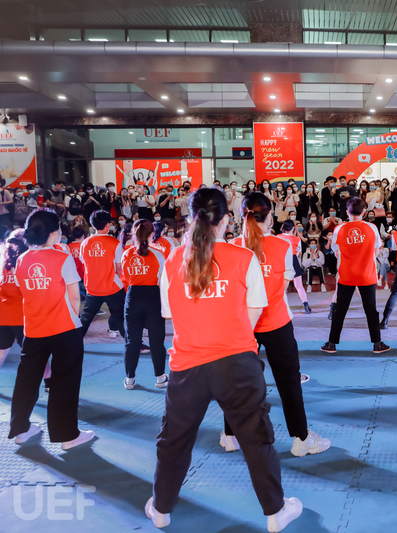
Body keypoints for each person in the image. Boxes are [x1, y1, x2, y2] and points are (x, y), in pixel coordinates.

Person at [148, 188, 302, 532]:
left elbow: (168, 313)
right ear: (226, 219)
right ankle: (275, 511)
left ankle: (160, 508)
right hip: (236, 362)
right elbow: (253, 312)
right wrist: (228, 330)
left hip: (188, 365)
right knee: (256, 438)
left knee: (175, 440)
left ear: (191, 217)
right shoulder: (242, 257)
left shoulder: (173, 260)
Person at [220, 192, 331, 456]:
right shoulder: (282, 246)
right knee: (288, 382)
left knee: (237, 380)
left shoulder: (232, 246)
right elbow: (278, 292)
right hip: (276, 322)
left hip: (242, 325)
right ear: (270, 216)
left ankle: (230, 435)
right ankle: (301, 439)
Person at [8, 209, 95, 450]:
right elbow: (75, 297)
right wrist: (73, 321)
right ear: (54, 233)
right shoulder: (61, 257)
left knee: (26, 380)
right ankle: (68, 436)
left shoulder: (22, 259)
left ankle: (20, 430)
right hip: (64, 328)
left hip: (33, 329)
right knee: (64, 381)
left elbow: (24, 291)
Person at [321, 197, 390, 354]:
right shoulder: (372, 227)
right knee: (371, 310)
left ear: (347, 212)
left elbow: (336, 252)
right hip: (367, 274)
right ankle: (377, 344)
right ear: (364, 211)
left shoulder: (339, 229)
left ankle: (331, 344)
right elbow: (377, 250)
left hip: (346, 274)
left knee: (340, 310)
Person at [120, 219, 168, 390]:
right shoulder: (158, 255)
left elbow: (125, 278)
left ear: (133, 234)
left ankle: (129, 379)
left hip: (133, 297)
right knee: (156, 340)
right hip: (153, 297)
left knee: (132, 341)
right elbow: (162, 281)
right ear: (152, 234)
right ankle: (160, 378)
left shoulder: (126, 254)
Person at [79, 210, 126, 338]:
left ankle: (74, 343)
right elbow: (119, 268)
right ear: (107, 225)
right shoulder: (114, 243)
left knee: (85, 319)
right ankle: (131, 343)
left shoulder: (84, 243)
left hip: (92, 287)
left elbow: (84, 263)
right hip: (112, 287)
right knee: (120, 315)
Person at [0, 229, 26, 366]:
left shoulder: (1, 258)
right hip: (23, 316)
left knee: (1, 353)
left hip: (3, 315)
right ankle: (50, 380)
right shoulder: (27, 260)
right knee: (36, 358)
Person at [278, 221, 312, 314]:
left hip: (282, 261)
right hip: (293, 260)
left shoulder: (278, 237)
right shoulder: (296, 239)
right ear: (293, 228)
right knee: (299, 286)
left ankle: (281, 307)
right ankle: (306, 304)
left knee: (282, 287)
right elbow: (298, 253)